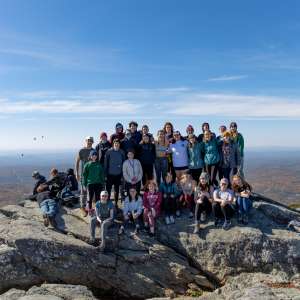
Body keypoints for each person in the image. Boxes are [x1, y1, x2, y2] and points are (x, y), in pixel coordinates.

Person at [75, 136, 94, 217]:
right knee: (83, 191)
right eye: (88, 141)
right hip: (83, 174)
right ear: (85, 141)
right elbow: (77, 162)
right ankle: (82, 207)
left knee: (90, 191)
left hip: (91, 174)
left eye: (90, 141)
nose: (89, 142)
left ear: (92, 142)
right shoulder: (81, 150)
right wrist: (76, 173)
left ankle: (88, 207)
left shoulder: (93, 151)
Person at [104, 139, 126, 207]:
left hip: (118, 174)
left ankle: (116, 204)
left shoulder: (122, 152)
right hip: (110, 174)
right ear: (113, 144)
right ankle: (107, 203)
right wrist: (105, 174)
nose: (116, 144)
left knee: (117, 190)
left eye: (118, 143)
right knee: (108, 190)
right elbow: (106, 164)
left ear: (119, 144)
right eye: (115, 143)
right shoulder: (109, 152)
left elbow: (124, 163)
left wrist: (122, 175)